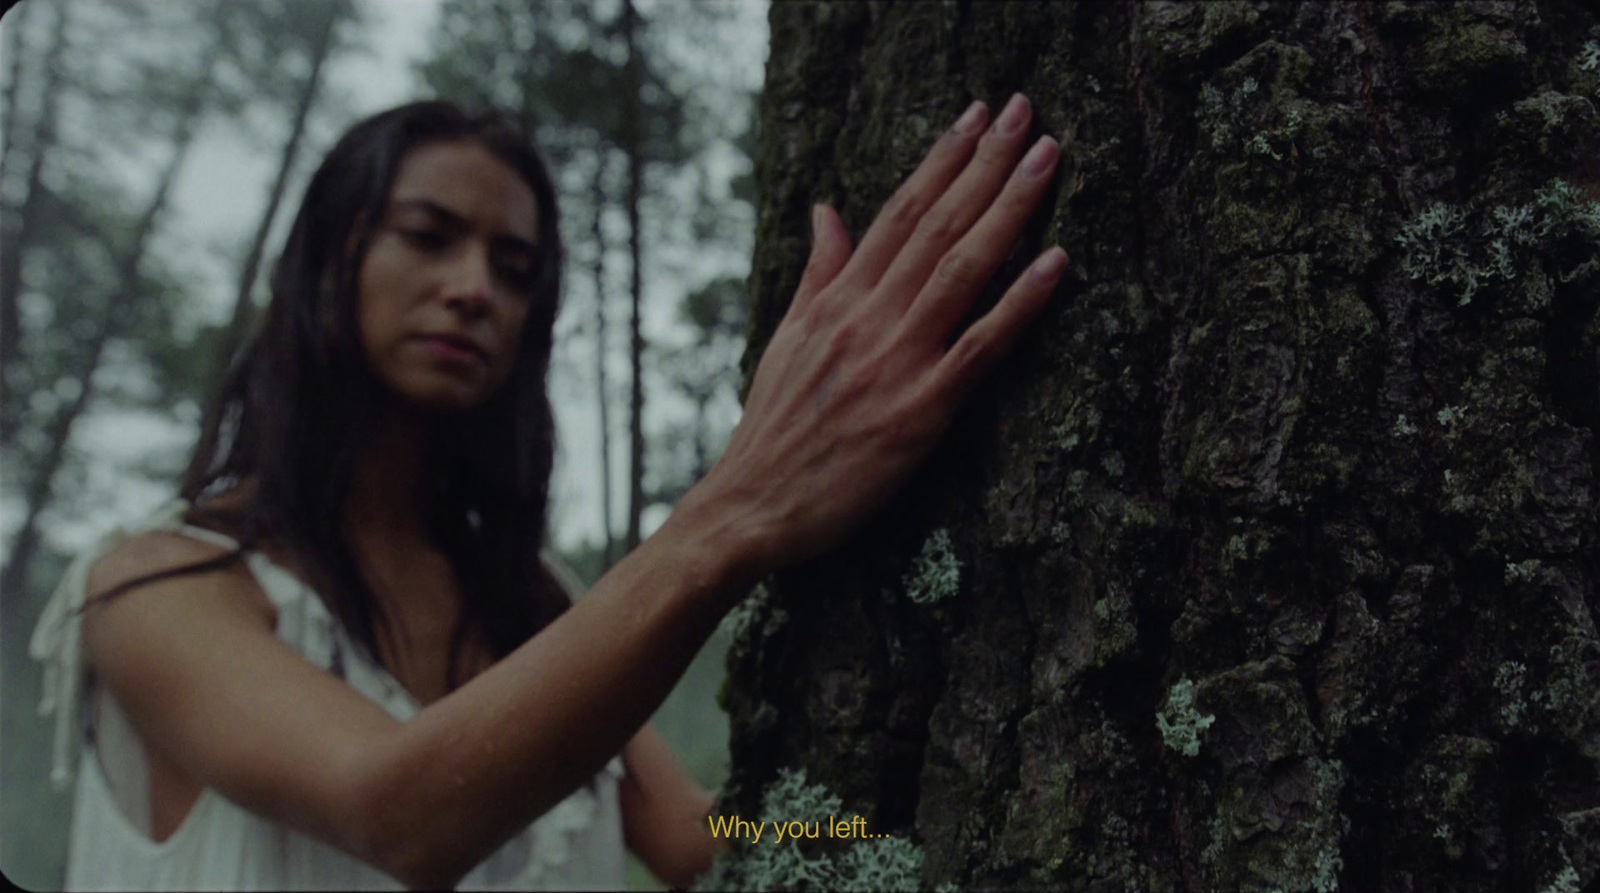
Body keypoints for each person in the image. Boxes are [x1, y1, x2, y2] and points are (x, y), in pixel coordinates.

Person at [30, 92, 1064, 890]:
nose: (476, 286)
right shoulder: (155, 584)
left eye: (515, 266)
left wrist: (872, 824)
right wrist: (736, 508)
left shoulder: (530, 604)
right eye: (428, 235)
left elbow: (697, 831)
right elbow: (397, 813)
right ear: (327, 261)